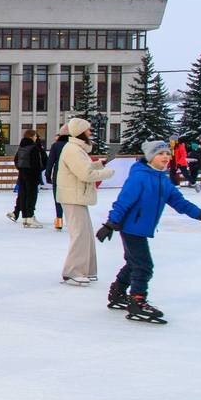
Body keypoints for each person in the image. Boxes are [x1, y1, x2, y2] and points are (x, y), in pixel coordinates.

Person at [96, 140, 201, 323]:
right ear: (150, 157)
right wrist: (110, 224)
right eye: (160, 154)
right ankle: (137, 301)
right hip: (131, 227)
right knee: (143, 266)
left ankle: (118, 293)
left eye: (167, 154)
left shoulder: (162, 178)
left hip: (141, 227)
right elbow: (123, 201)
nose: (165, 157)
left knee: (133, 263)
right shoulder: (139, 176)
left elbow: (179, 202)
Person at [55, 118, 115, 286]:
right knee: (79, 234)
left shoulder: (77, 149)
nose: (90, 132)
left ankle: (86, 269)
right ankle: (73, 271)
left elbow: (85, 169)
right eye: (88, 130)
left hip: (77, 196)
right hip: (72, 197)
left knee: (86, 234)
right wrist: (107, 173)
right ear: (81, 132)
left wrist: (98, 164)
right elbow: (85, 174)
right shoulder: (73, 150)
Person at [8, 129, 47, 228]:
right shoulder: (34, 148)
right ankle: (29, 218)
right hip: (32, 174)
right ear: (31, 137)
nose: (36, 138)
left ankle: (25, 218)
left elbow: (16, 160)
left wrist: (21, 169)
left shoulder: (21, 147)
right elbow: (40, 161)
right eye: (35, 136)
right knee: (31, 196)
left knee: (24, 195)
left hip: (22, 174)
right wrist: (39, 169)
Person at [44, 125, 70, 231]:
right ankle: (71, 220)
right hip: (70, 176)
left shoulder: (55, 146)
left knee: (58, 198)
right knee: (69, 199)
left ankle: (59, 220)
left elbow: (50, 162)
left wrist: (47, 175)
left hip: (58, 175)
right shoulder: (72, 145)